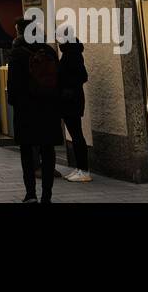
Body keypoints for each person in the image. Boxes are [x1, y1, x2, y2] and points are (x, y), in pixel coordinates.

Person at [8, 17, 62, 203]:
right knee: (48, 151)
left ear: (21, 32)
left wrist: (14, 102)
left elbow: (13, 85)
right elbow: (58, 81)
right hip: (49, 108)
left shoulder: (17, 53)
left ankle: (30, 193)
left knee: (27, 151)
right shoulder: (48, 50)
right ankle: (47, 195)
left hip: (26, 109)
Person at [57, 33, 91, 182]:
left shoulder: (71, 55)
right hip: (72, 100)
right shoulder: (71, 53)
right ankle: (79, 168)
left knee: (76, 135)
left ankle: (83, 170)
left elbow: (82, 76)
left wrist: (67, 88)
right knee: (75, 134)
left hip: (71, 101)